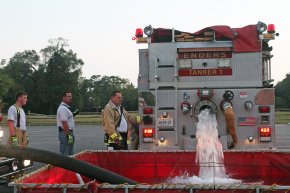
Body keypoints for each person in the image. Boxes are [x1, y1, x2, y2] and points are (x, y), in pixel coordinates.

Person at [57, 91, 78, 156]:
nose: (70, 98)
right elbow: (64, 122)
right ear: (63, 97)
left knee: (70, 152)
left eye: (71, 96)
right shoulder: (63, 108)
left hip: (67, 133)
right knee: (65, 153)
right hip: (66, 133)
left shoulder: (66, 107)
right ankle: (64, 166)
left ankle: (69, 166)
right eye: (68, 96)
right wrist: (69, 135)